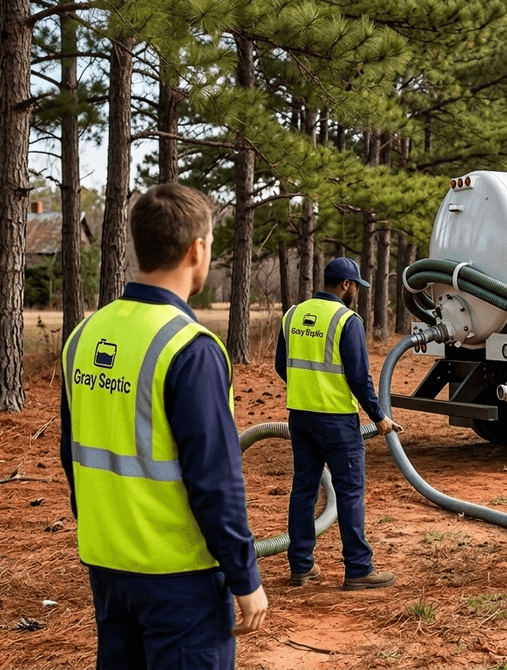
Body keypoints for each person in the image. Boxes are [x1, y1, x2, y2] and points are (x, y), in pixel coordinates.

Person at [60, 183, 267, 669]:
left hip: (108, 568)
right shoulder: (189, 348)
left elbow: (73, 456)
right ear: (197, 249)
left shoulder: (85, 335)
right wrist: (245, 578)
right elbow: (215, 481)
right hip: (181, 579)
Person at [275, 257, 402, 590]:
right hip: (336, 421)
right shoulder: (347, 320)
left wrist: (307, 388)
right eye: (356, 286)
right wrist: (379, 417)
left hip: (300, 417)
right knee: (348, 491)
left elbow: (281, 365)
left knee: (303, 489)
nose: (356, 293)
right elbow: (360, 378)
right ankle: (358, 569)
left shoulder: (292, 315)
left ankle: (301, 567)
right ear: (345, 285)